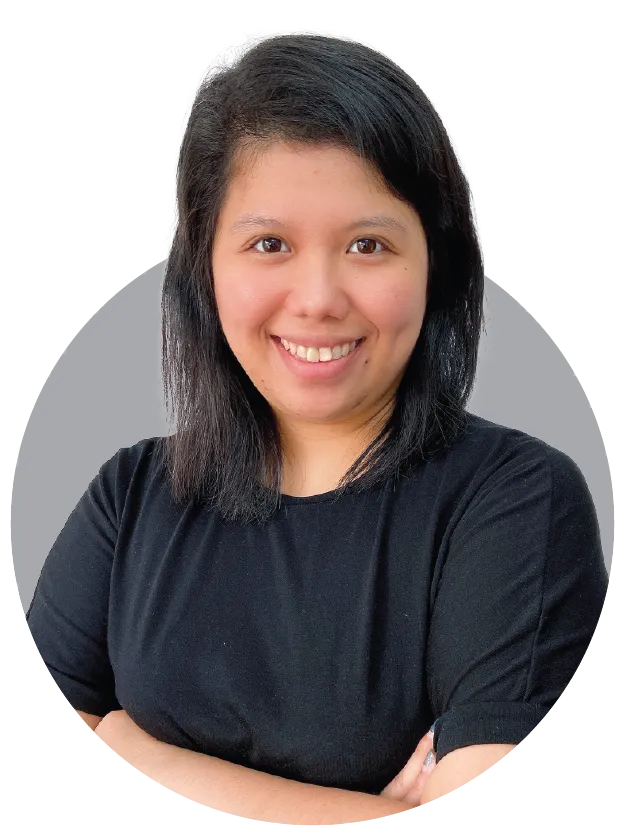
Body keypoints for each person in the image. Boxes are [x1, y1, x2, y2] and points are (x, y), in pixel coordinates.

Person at [24, 30, 608, 824]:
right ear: (204, 264)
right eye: (269, 243)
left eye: (368, 244)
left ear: (433, 265)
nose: (318, 298)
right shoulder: (130, 498)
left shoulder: (517, 501)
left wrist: (130, 748)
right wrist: (367, 812)